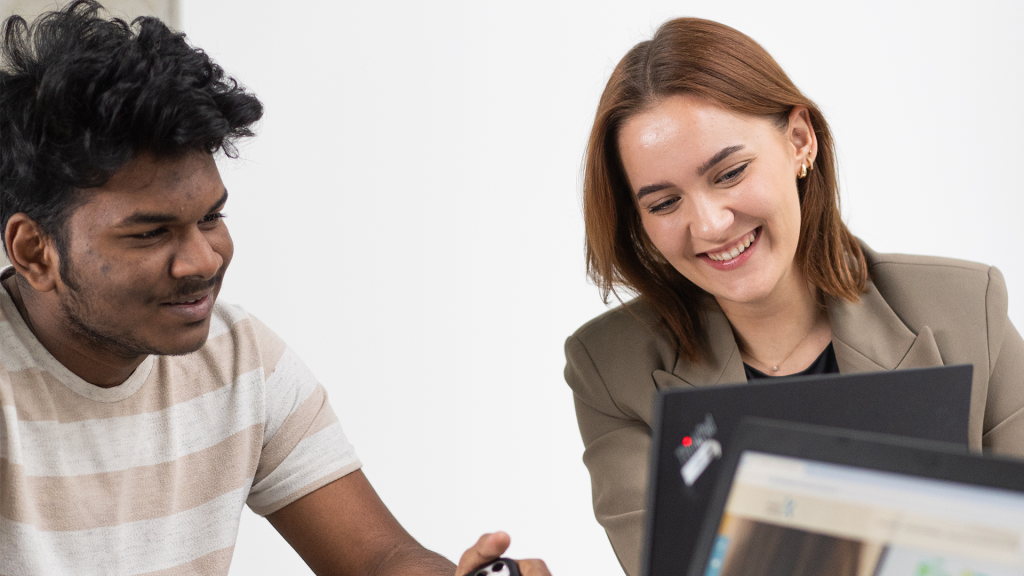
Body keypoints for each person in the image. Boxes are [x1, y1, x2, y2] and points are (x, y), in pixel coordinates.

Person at [0, 2, 550, 575]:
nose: (201, 260)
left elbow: (380, 559)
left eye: (212, 218)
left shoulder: (238, 358)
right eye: (152, 232)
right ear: (35, 252)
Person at [563, 16, 1024, 576]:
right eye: (663, 204)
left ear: (799, 140)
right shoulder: (611, 370)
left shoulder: (963, 306)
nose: (709, 224)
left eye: (729, 172)